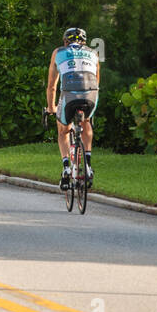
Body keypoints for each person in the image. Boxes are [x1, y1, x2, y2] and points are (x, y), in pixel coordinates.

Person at [46, 26, 99, 190]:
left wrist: (51, 107)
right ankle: (88, 165)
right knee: (87, 122)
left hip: (68, 96)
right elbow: (97, 82)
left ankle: (67, 167)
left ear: (65, 41)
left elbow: (52, 86)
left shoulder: (58, 52)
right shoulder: (94, 53)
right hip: (91, 95)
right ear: (84, 41)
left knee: (63, 130)